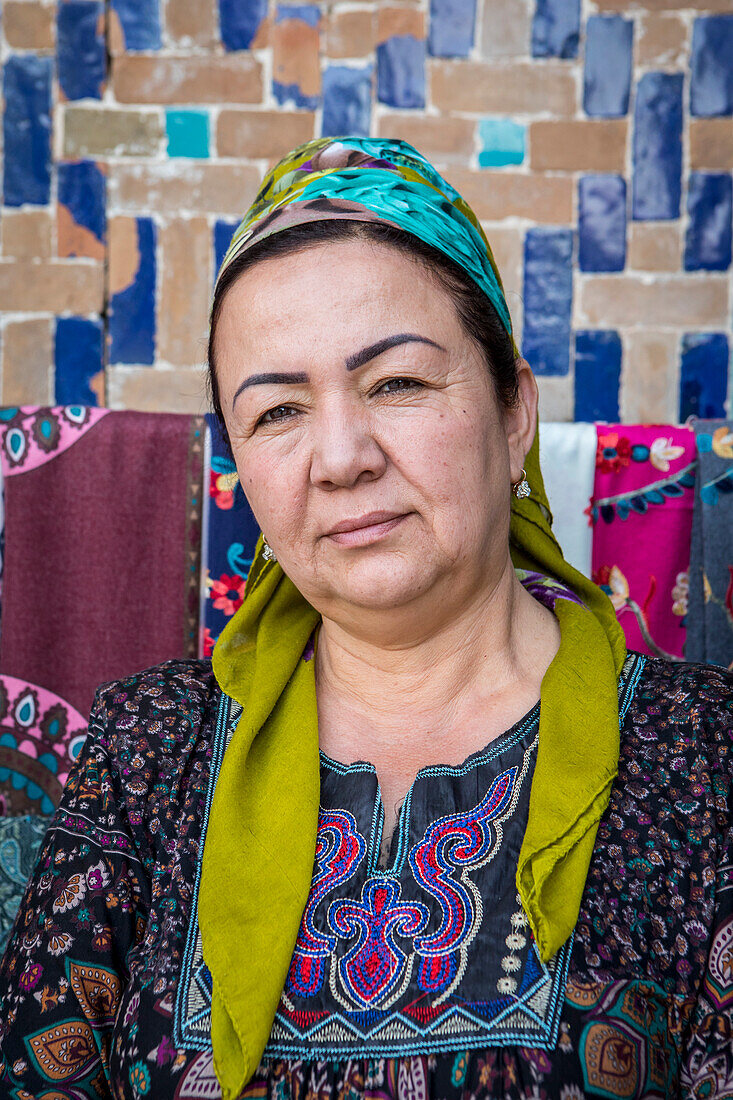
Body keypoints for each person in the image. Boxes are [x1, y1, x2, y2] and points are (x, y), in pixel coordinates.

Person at [0, 138, 730, 1100]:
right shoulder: (147, 751)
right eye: (276, 412)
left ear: (514, 410)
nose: (340, 457)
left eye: (396, 383)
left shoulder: (704, 756)